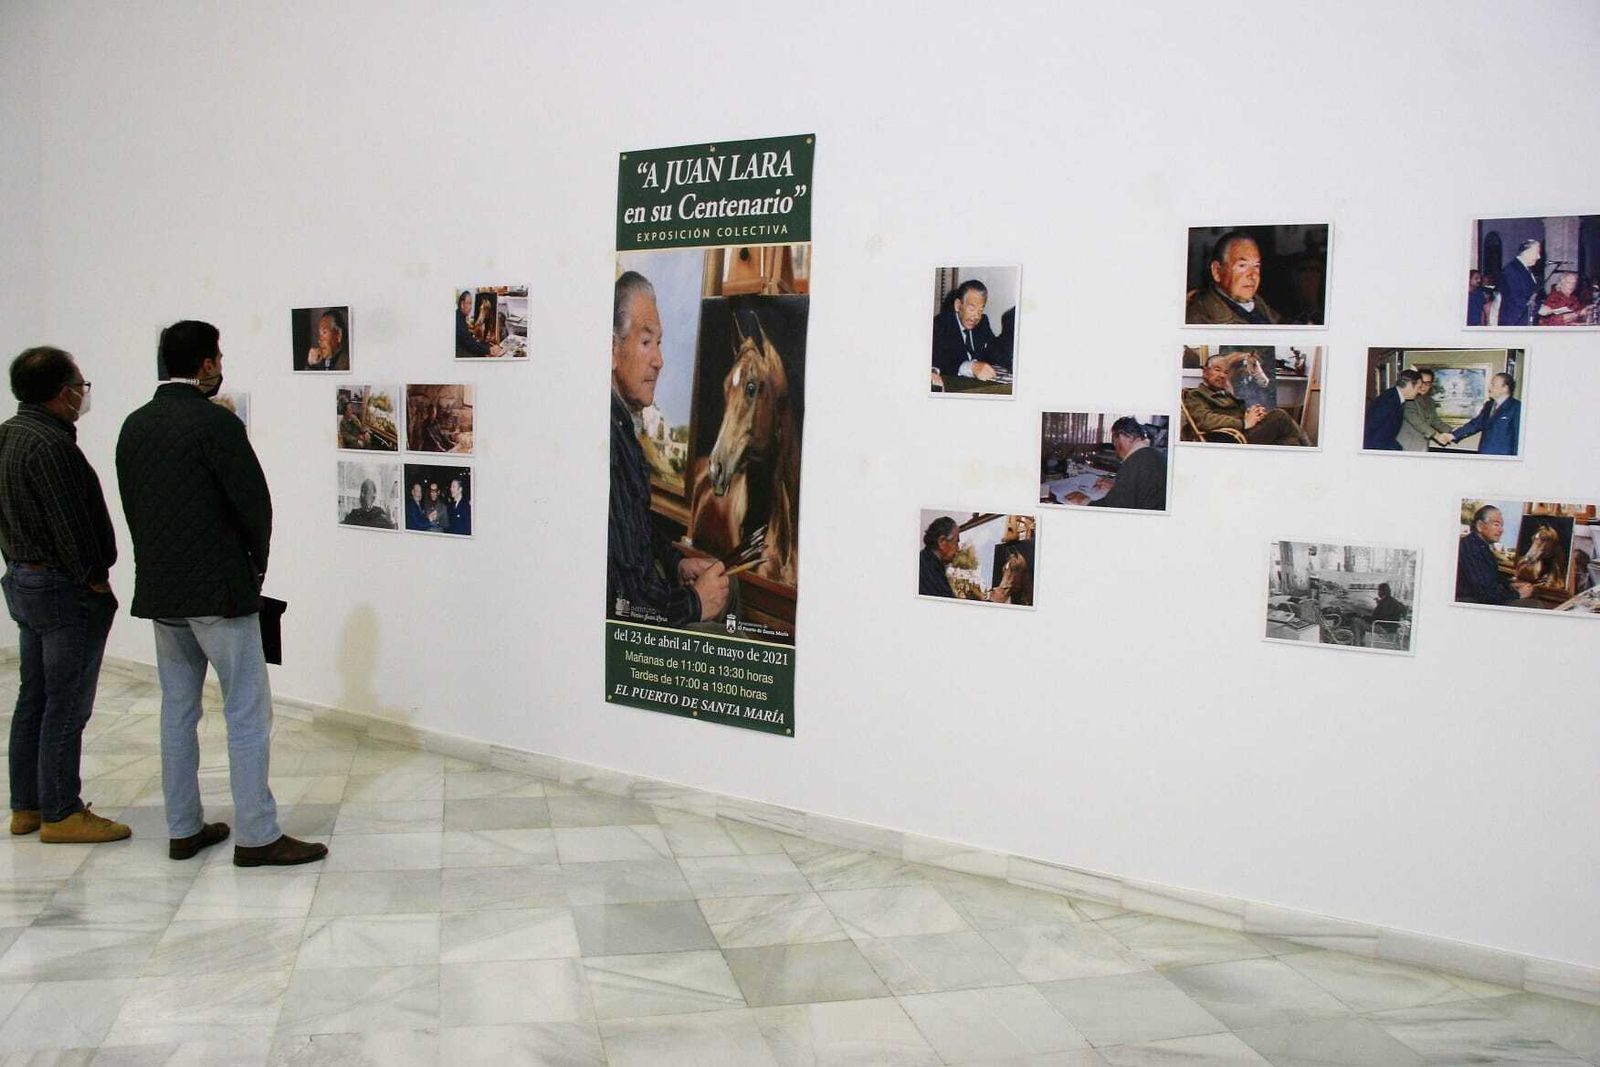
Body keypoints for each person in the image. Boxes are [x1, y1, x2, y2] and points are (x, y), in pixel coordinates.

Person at [116, 320, 327, 866]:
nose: (220, 366)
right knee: (247, 713)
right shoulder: (216, 425)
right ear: (206, 363)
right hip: (219, 593)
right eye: (219, 357)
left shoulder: (133, 426)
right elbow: (255, 506)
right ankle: (257, 834)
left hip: (162, 593)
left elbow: (136, 508)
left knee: (177, 712)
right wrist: (254, 571)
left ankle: (183, 828)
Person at [0, 347, 129, 844]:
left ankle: (26, 806)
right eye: (79, 383)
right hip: (62, 590)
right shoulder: (52, 447)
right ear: (61, 392)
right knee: (66, 704)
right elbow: (74, 527)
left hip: (22, 580)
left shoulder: (9, 435)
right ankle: (60, 811)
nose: (83, 393)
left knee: (33, 697)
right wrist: (94, 578)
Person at [609, 272, 728, 624]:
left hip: (651, 597)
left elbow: (636, 530)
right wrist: (694, 602)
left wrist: (677, 563)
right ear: (612, 350)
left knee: (728, 587)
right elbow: (626, 599)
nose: (659, 360)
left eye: (659, 343)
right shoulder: (608, 443)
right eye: (647, 342)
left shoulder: (624, 426)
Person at [1184, 352, 1310, 445]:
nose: (1222, 375)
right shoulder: (1196, 395)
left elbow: (1238, 413)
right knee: (1279, 415)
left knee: (1288, 441)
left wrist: (1253, 414)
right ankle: (1309, 450)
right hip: (1230, 439)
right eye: (1217, 370)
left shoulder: (1225, 394)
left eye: (1226, 372)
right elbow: (1206, 420)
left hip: (1242, 432)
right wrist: (1244, 423)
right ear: (1205, 372)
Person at [1065, 417, 1167, 510]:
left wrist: (1084, 500)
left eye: (1114, 441)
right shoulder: (1155, 455)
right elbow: (1140, 489)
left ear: (1123, 436)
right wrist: (1116, 487)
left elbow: (1114, 508)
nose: (1115, 448)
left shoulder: (1134, 461)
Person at [1185, 233, 1281, 324]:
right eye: (1242, 266)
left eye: (1256, 266)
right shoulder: (1200, 319)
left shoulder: (1262, 307)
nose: (1253, 275)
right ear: (1217, 271)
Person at [1456, 504, 1536, 606]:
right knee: (1535, 605)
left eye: (1501, 525)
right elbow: (1486, 594)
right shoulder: (1469, 548)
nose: (1501, 530)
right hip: (1469, 603)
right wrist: (1518, 594)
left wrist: (1510, 585)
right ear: (1480, 526)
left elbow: (1489, 578)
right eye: (1496, 524)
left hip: (1479, 600)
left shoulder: (1481, 547)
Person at [930, 280, 1006, 381]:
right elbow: (938, 361)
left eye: (981, 310)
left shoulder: (983, 322)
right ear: (958, 305)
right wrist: (970, 367)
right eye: (972, 308)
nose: (976, 316)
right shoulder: (940, 324)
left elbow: (995, 349)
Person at [1438, 373, 1520, 455]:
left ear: (1505, 388)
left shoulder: (1516, 407)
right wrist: (1451, 436)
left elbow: (1518, 438)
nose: (1489, 388)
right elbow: (1475, 424)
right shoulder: (1489, 405)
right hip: (1483, 454)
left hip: (1503, 459)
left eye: (1493, 385)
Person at [1363, 369, 1423, 451]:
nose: (1419, 391)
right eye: (1418, 387)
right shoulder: (1388, 400)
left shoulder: (1395, 397)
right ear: (1409, 385)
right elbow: (1369, 429)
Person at [1398, 368, 1452, 451]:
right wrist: (1436, 436)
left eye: (1427, 383)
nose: (1423, 386)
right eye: (1422, 382)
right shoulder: (1408, 397)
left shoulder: (1430, 401)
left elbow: (1436, 421)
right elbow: (1415, 420)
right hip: (1405, 445)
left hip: (1422, 446)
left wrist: (1454, 432)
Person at [1497, 239, 1542, 326]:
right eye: (1537, 253)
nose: (1539, 257)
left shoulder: (1525, 269)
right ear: (1526, 252)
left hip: (1525, 319)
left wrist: (1541, 305)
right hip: (1514, 321)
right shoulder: (1511, 269)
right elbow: (1515, 297)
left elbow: (1531, 294)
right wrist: (1539, 308)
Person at [919, 516, 958, 598]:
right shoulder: (930, 572)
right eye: (956, 542)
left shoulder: (924, 560)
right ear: (942, 542)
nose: (958, 549)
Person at [456, 291, 503, 358]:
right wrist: (489, 350)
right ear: (462, 304)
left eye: (471, 304)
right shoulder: (459, 321)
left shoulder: (459, 316)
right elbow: (470, 343)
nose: (471, 307)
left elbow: (469, 340)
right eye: (469, 303)